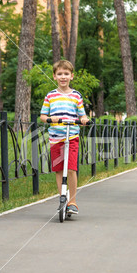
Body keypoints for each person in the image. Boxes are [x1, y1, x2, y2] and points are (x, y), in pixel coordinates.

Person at [40, 60, 90, 214]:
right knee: (59, 170)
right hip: (56, 137)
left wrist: (84, 120)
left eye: (66, 74)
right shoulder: (50, 96)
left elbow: (83, 115)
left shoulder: (76, 96)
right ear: (54, 76)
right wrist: (50, 119)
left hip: (72, 136)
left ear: (71, 76)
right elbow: (42, 116)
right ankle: (62, 196)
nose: (63, 77)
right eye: (60, 74)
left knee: (71, 169)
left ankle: (72, 201)